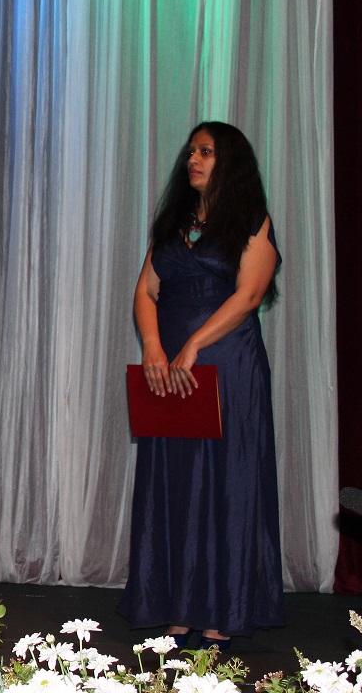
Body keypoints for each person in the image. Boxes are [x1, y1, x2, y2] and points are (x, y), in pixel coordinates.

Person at [118, 121, 283, 650]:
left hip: (229, 367)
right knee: (179, 481)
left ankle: (224, 608)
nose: (194, 159)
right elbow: (147, 290)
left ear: (228, 161)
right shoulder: (173, 223)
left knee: (227, 483)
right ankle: (179, 604)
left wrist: (195, 344)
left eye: (206, 152)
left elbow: (249, 295)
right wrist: (153, 345)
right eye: (191, 151)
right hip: (169, 372)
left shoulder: (252, 222)